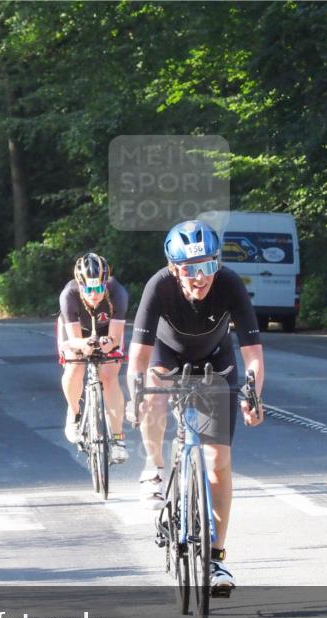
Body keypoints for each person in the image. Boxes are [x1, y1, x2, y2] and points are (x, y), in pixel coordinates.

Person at [127, 220, 265, 592]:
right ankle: (154, 466)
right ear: (175, 269)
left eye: (207, 266)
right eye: (190, 269)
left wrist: (252, 394)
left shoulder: (230, 283)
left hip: (217, 361)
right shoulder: (159, 285)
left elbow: (253, 355)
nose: (200, 277)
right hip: (166, 356)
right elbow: (137, 359)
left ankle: (217, 560)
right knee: (153, 396)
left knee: (219, 460)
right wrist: (135, 395)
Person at [58, 252, 129, 464]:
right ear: (80, 286)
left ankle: (117, 439)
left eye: (99, 288)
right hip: (78, 331)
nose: (94, 294)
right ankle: (75, 413)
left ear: (106, 283)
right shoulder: (68, 295)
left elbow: (116, 336)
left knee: (109, 375)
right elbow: (74, 340)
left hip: (107, 329)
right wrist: (83, 345)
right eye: (88, 289)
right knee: (75, 368)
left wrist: (109, 343)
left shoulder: (118, 293)